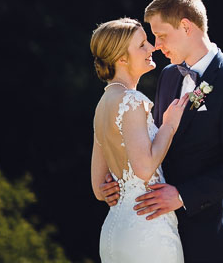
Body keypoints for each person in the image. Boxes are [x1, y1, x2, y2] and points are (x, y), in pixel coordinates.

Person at [138, 0, 223, 262]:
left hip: (209, 240)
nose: (156, 45)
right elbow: (156, 140)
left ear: (186, 26)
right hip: (160, 235)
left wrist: (183, 195)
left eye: (161, 35)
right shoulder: (168, 76)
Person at [90, 18, 190, 263]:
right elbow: (144, 169)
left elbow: (98, 187)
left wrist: (110, 190)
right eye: (142, 44)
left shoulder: (102, 105)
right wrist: (169, 126)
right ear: (122, 59)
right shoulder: (132, 100)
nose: (152, 48)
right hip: (147, 228)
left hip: (114, 231)